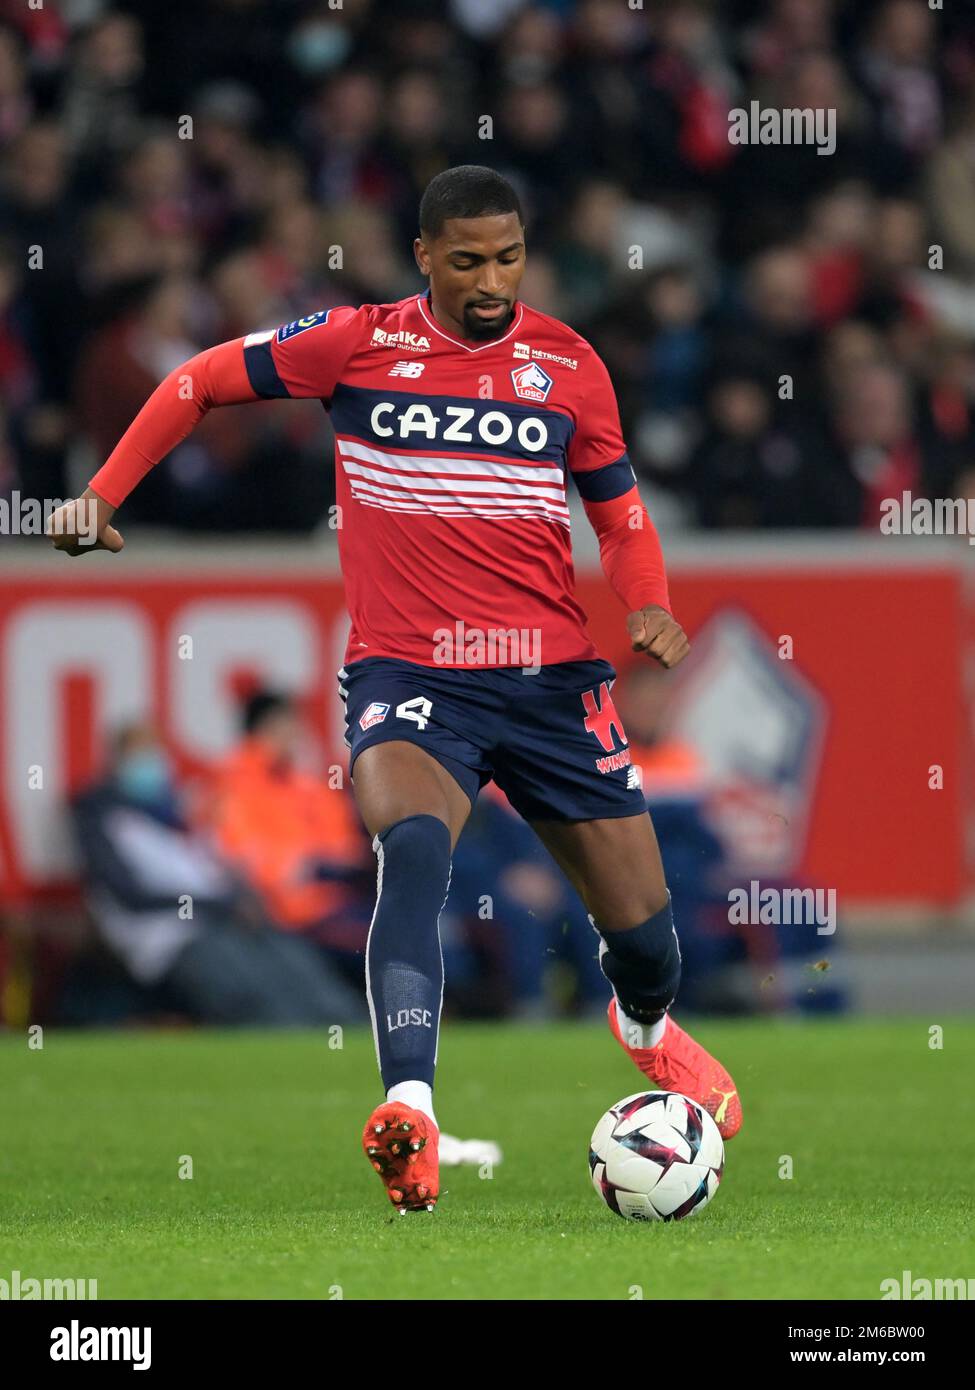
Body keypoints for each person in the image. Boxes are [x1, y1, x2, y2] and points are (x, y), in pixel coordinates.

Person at [47, 164, 742, 1214]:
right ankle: (410, 1111)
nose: (491, 281)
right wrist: (102, 493)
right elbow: (197, 379)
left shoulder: (569, 364)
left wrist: (646, 602)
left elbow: (621, 511)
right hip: (413, 673)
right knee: (413, 850)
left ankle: (643, 1026)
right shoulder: (357, 343)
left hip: (551, 680)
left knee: (646, 938)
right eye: (467, 261)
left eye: (508, 257)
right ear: (424, 256)